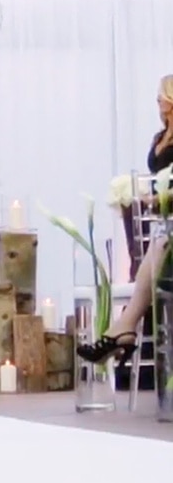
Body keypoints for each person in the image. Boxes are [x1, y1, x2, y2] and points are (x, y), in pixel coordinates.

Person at [77, 74, 173, 365]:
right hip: (163, 219)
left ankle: (125, 326)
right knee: (160, 242)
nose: (157, 101)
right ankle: (125, 327)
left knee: (161, 243)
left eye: (161, 95)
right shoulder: (160, 136)